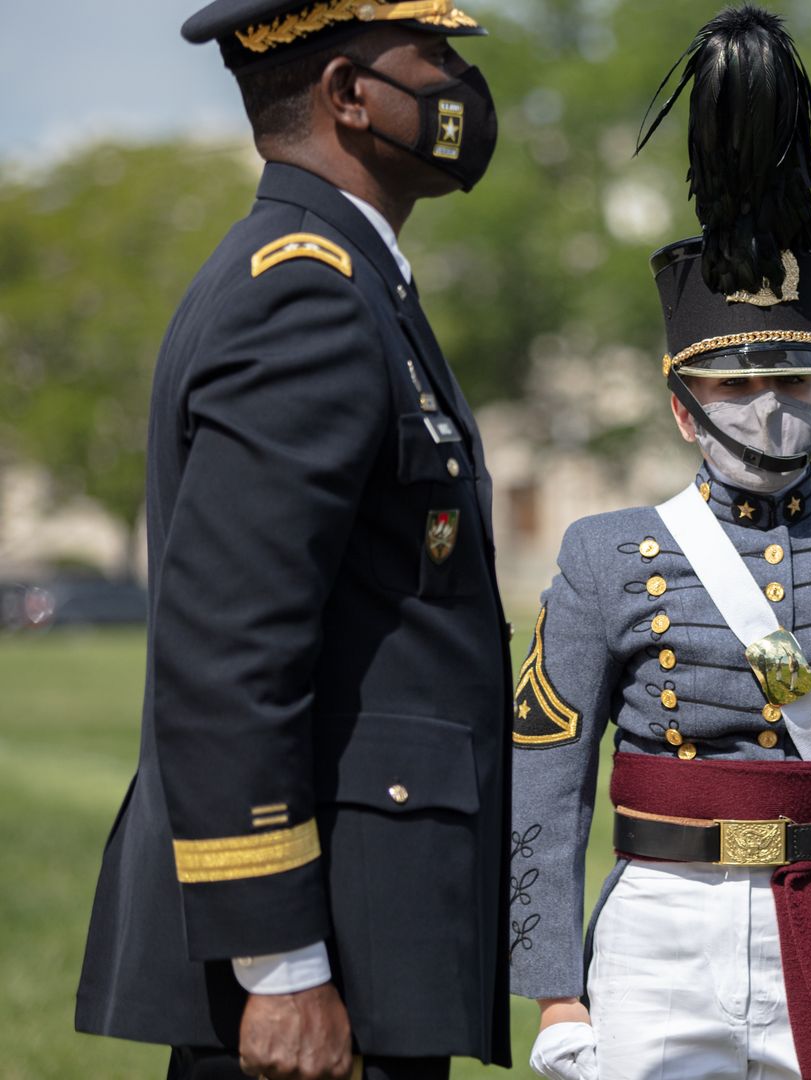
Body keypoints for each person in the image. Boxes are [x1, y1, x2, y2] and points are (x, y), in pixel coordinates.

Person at [506, 9, 811, 1080]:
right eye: (738, 384)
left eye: (795, 380)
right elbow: (549, 785)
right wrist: (556, 995)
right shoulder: (603, 556)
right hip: (659, 935)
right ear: (685, 407)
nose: (771, 405)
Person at [73, 3, 512, 1078]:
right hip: (323, 963)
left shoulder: (346, 282)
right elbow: (228, 652)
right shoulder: (307, 298)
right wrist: (282, 966)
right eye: (439, 59)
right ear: (350, 96)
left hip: (367, 930)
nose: (463, 86)